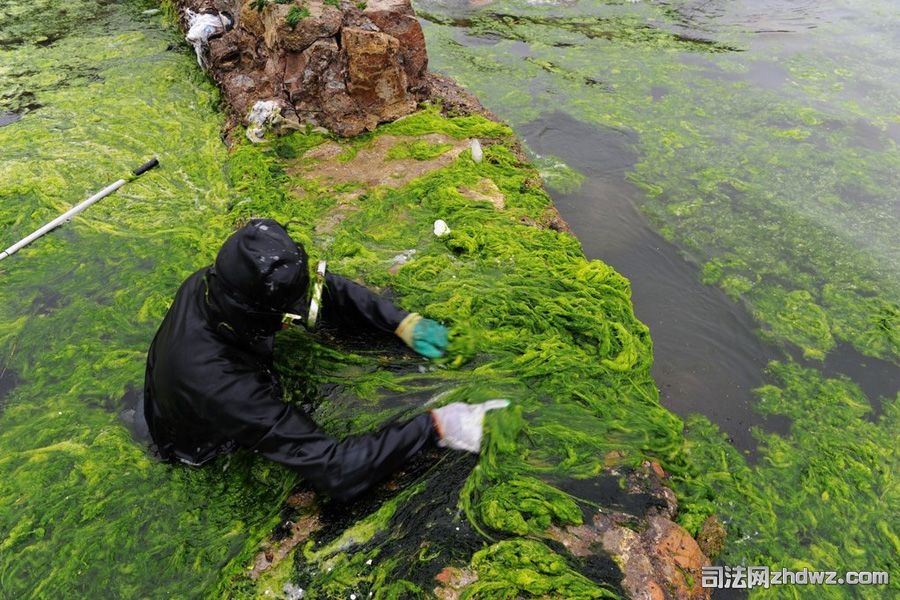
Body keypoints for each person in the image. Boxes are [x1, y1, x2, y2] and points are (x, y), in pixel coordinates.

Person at [143, 219, 507, 501]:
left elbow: (321, 290)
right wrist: (435, 426)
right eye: (287, 318)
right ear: (257, 317)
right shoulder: (222, 385)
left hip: (193, 386)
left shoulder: (217, 283)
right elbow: (338, 471)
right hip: (201, 445)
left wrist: (400, 322)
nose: (297, 318)